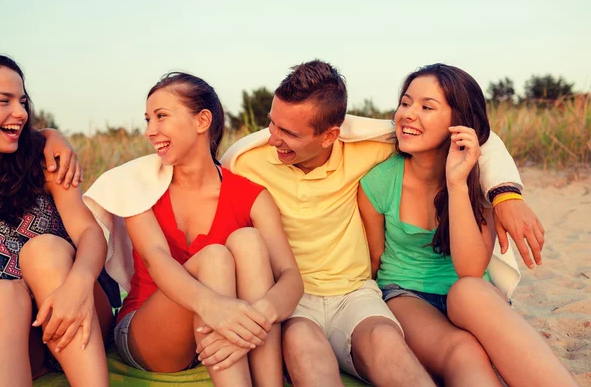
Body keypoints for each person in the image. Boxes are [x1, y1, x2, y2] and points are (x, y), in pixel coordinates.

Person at [221, 59, 546, 386]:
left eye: (288, 132)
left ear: (330, 135)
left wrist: (506, 194)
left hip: (356, 295)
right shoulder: (247, 162)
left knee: (402, 335)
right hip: (300, 301)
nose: (272, 138)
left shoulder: (369, 150)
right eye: (271, 124)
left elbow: (481, 140)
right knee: (306, 346)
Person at [358, 63, 577, 387]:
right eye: (405, 103)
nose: (408, 114)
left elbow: (471, 269)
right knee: (465, 350)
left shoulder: (481, 178)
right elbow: (374, 261)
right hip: (405, 293)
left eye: (426, 107)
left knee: (469, 289)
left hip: (470, 293)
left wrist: (457, 183)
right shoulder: (378, 182)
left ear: (457, 121)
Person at [84, 72, 302, 387]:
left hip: (227, 329)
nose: (149, 131)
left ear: (201, 121)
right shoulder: (140, 186)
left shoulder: (252, 196)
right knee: (214, 257)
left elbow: (291, 278)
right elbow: (157, 260)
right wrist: (212, 306)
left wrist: (257, 316)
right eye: (148, 119)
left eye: (161, 117)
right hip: (151, 330)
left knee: (248, 240)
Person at [0, 54, 114, 387]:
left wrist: (78, 284)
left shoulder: (43, 158)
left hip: (78, 309)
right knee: (2, 294)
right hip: (16, 339)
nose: (20, 112)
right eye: (4, 101)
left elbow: (90, 231)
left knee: (42, 250)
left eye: (22, 101)